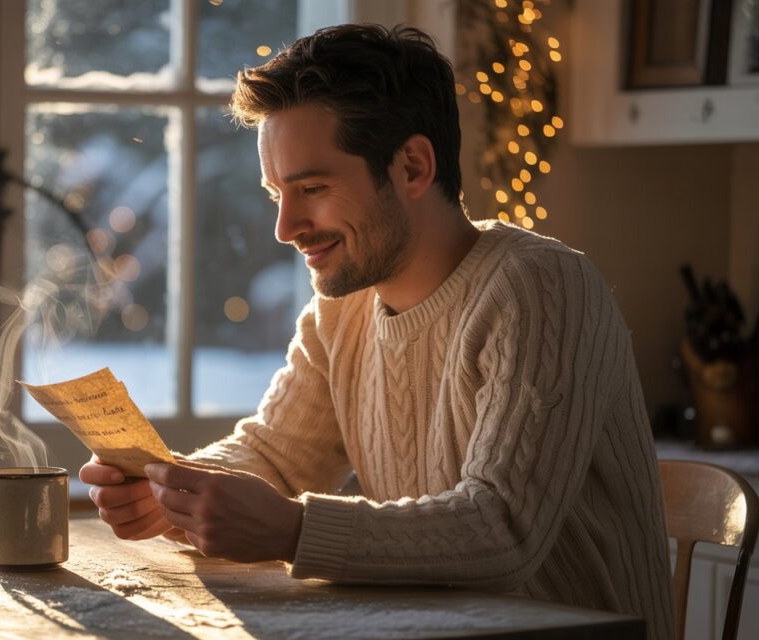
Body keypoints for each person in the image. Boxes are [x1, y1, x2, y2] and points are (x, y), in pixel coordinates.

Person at [80, 23, 674, 639]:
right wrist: (169, 489)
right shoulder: (341, 309)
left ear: (412, 166)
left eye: (312, 188)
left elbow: (502, 529)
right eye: (276, 193)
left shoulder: (543, 287)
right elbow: (275, 459)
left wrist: (293, 529)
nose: (285, 227)